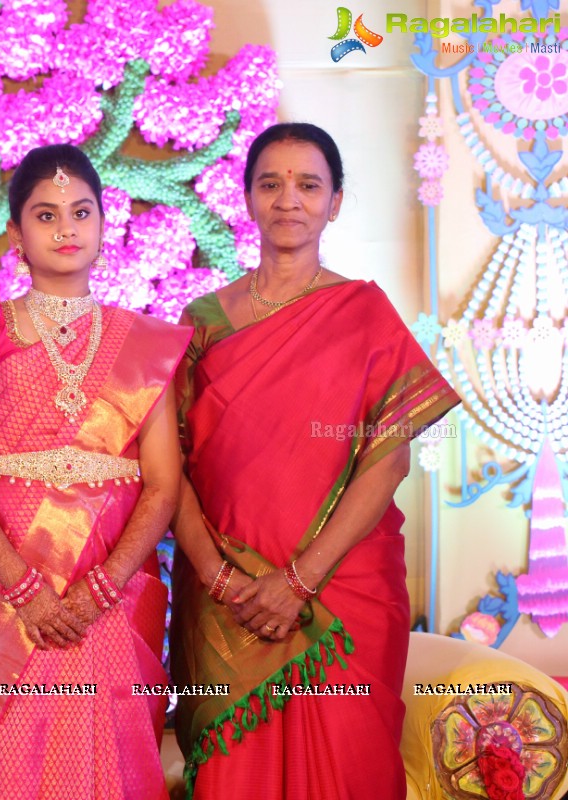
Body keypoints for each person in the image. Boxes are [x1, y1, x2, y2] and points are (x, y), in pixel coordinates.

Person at [168, 122, 461, 799]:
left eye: (308, 185)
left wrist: (299, 581)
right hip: (228, 599)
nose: (288, 200)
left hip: (342, 590)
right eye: (270, 183)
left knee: (347, 767)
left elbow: (387, 464)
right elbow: (168, 468)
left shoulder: (364, 314)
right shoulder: (202, 321)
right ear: (245, 198)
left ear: (334, 201)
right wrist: (219, 580)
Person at [0, 144, 192, 799]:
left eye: (81, 212)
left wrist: (100, 589)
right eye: (45, 216)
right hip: (1, 588)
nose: (66, 228)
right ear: (16, 234)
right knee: (8, 765)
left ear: (105, 222)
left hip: (111, 591)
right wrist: (25, 590)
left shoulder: (146, 343)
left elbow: (162, 484)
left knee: (114, 762)